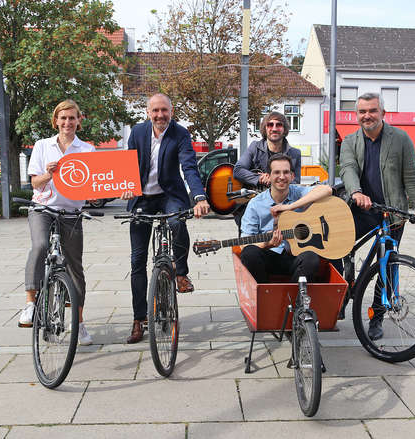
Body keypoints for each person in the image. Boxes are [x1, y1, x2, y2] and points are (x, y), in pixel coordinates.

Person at [120, 93, 210, 344]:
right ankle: (140, 318)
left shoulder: (180, 134)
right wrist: (127, 185)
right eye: (155, 111)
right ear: (148, 112)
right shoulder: (137, 132)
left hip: (170, 194)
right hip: (142, 197)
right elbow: (128, 163)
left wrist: (199, 197)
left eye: (165, 111)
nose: (160, 115)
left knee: (176, 222)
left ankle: (180, 272)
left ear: (172, 111)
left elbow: (189, 167)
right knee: (137, 260)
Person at [339, 92, 415, 341]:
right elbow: (347, 168)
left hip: (392, 212)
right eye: (362, 111)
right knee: (335, 247)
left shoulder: (400, 139)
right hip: (361, 209)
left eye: (372, 110)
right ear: (356, 115)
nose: (367, 115)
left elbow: (411, 175)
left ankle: (376, 317)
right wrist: (356, 192)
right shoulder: (350, 141)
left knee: (387, 265)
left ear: (382, 113)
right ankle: (338, 295)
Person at [18, 99, 95, 346]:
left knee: (75, 267)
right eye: (63, 118)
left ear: (78, 121)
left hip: (71, 212)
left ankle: (79, 323)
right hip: (43, 208)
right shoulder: (43, 146)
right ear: (56, 121)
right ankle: (30, 303)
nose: (67, 122)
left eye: (72, 118)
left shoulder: (87, 150)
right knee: (40, 246)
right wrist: (48, 174)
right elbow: (35, 183)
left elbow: (94, 186)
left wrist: (120, 189)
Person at [240, 153, 332, 284]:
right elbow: (245, 243)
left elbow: (327, 189)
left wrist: (290, 207)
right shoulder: (255, 204)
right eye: (277, 172)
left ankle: (297, 300)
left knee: (311, 258)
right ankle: (267, 296)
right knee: (249, 253)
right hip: (268, 257)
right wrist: (267, 244)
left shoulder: (299, 192)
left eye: (286, 172)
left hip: (295, 257)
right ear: (268, 176)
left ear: (292, 176)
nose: (282, 177)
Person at [232, 112, 302, 231]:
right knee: (248, 246)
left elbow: (295, 182)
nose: (274, 129)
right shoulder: (254, 147)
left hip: (281, 208)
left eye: (278, 125)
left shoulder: (295, 154)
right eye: (270, 125)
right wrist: (258, 178)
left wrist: (274, 179)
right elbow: (238, 170)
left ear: (284, 129)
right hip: (252, 206)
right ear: (265, 128)